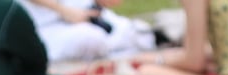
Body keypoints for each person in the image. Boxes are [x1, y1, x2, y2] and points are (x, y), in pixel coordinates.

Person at [16, 0, 156, 64]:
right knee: (91, 39)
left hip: (81, 12)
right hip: (45, 24)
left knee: (142, 34)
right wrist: (64, 11)